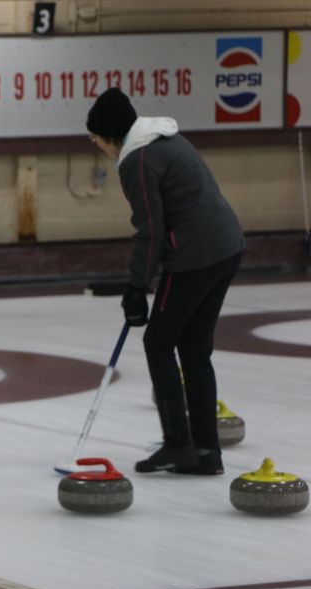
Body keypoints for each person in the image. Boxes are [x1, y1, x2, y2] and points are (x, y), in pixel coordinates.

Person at [86, 87, 245, 476]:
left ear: (109, 136)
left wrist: (136, 287)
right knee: (194, 348)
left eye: (95, 138)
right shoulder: (165, 137)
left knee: (158, 342)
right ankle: (206, 451)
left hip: (194, 256)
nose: (96, 145)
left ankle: (178, 445)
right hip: (226, 247)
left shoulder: (137, 160)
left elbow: (151, 230)